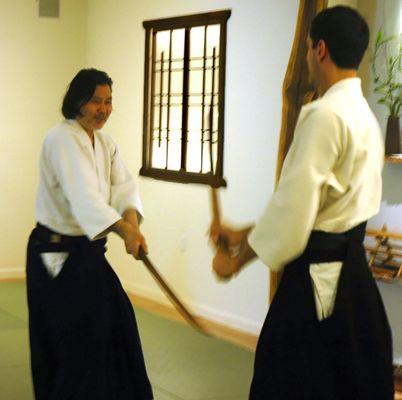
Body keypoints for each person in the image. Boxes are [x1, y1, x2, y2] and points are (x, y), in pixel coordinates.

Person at [210, 6, 394, 400]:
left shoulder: (324, 115)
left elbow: (293, 222)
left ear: (321, 49)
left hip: (316, 284)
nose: (308, 58)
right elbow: (318, 209)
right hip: (351, 280)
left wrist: (234, 262)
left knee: (296, 382)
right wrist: (241, 232)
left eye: (310, 49)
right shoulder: (363, 115)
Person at [26, 68, 153, 399]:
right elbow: (85, 199)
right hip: (57, 257)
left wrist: (133, 227)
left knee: (117, 326)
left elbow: (125, 187)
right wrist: (125, 232)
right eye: (96, 101)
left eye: (109, 101)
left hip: (88, 254)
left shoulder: (106, 142)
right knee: (75, 341)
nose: (103, 109)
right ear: (78, 101)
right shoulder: (62, 138)